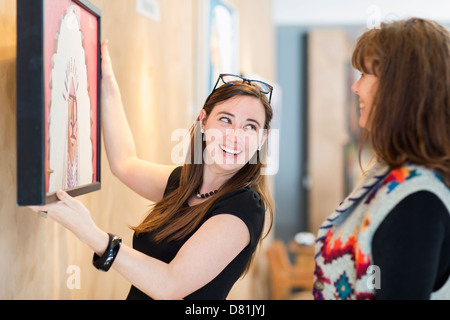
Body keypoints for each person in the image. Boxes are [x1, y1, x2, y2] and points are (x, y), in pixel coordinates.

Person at [30, 42, 274, 300]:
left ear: (261, 139)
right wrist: (108, 84)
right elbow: (124, 163)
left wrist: (90, 233)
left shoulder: (245, 206)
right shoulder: (183, 183)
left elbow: (169, 285)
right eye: (225, 120)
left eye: (250, 127)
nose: (235, 136)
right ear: (203, 121)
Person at [313, 18, 450, 300]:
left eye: (364, 75)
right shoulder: (399, 177)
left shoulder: (418, 199)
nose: (356, 87)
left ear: (400, 90)